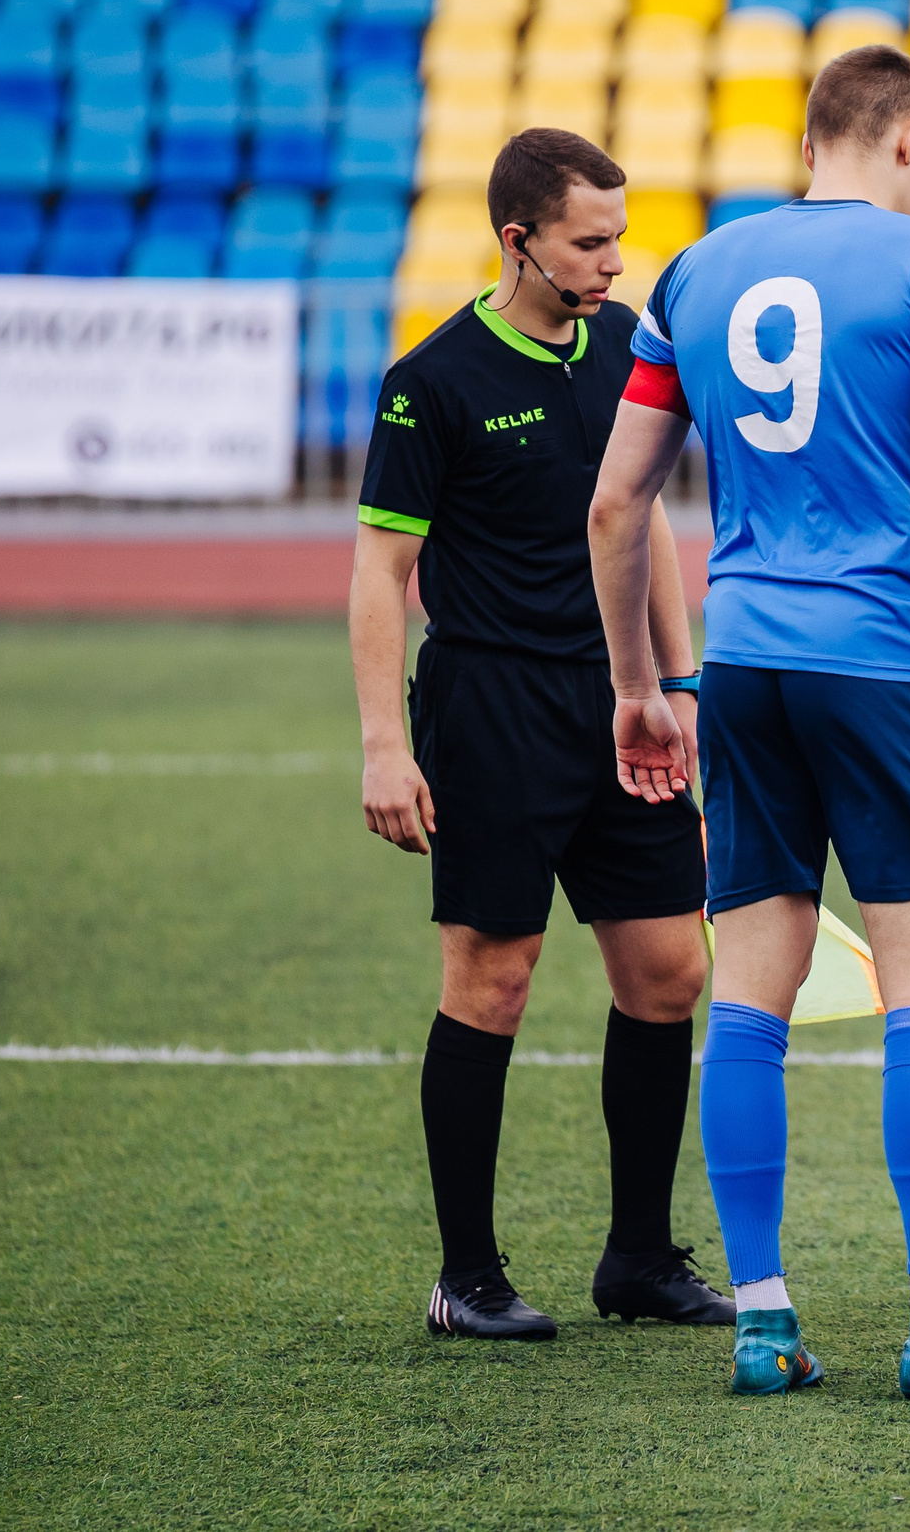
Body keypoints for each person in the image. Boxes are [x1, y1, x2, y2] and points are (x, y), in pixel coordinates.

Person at [587, 45, 910, 1400]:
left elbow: (616, 503)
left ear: (813, 141)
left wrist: (641, 685)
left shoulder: (692, 272)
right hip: (888, 665)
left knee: (750, 991)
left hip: (745, 660)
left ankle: (763, 1321)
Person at [350, 127, 731, 1341]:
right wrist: (383, 744)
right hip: (492, 709)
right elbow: (381, 571)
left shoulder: (626, 347)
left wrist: (681, 683)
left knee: (669, 971)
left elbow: (644, 519)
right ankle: (467, 1276)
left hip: (624, 703)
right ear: (518, 241)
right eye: (590, 241)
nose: (615, 261)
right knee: (494, 978)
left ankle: (639, 1259)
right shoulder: (432, 378)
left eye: (619, 236)